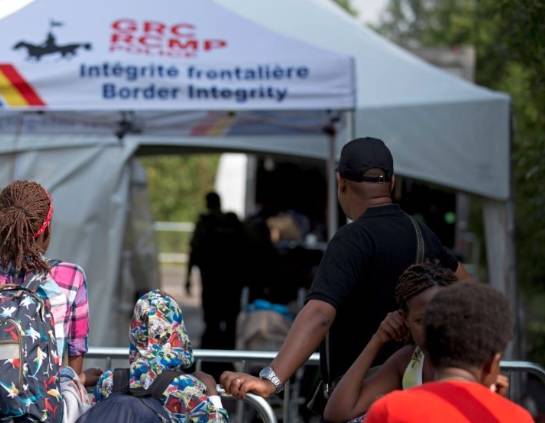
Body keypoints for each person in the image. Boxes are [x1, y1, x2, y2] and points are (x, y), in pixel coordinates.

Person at [221, 137, 469, 405]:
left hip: (358, 397)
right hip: (412, 394)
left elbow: (320, 314)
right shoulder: (422, 234)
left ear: (341, 183)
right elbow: (469, 292)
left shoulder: (351, 239)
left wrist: (271, 380)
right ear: (392, 182)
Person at [0, 180, 98, 384]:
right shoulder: (71, 277)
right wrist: (81, 379)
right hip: (38, 409)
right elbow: (75, 354)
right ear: (46, 231)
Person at [365, 283, 533, 422]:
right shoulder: (517, 418)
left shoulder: (390, 409)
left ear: (430, 354)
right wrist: (496, 404)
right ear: (491, 364)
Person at [323, 263, 460, 422]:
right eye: (420, 320)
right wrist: (378, 339)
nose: (433, 326)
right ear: (405, 320)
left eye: (441, 316)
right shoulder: (408, 360)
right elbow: (337, 413)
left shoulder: (470, 357)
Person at [91, 290, 229, 422]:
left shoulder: (108, 382)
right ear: (177, 331)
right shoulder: (187, 388)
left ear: (135, 331)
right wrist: (212, 394)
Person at [186, 192, 246, 377]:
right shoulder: (233, 223)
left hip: (211, 281)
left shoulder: (205, 223)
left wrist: (187, 278)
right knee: (229, 324)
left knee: (211, 321)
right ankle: (226, 362)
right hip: (231, 283)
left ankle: (209, 362)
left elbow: (194, 251)